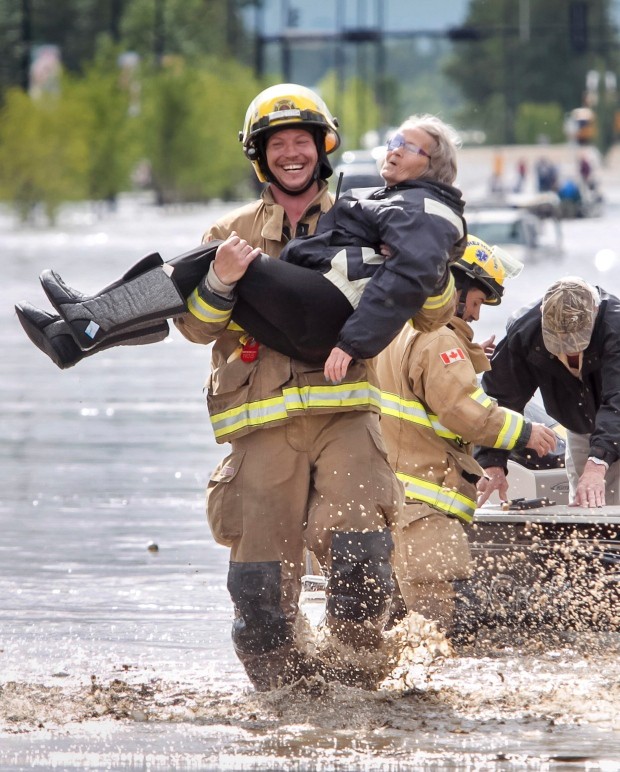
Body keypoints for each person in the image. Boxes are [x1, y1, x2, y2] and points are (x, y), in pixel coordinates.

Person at [16, 110, 466, 384]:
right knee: (216, 264)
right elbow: (194, 327)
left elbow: (418, 293)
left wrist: (353, 342)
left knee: (219, 256)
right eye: (393, 141)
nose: (393, 150)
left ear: (321, 151)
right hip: (284, 368)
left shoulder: (423, 210)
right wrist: (222, 282)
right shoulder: (384, 204)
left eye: (407, 146)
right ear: (259, 157)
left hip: (335, 362)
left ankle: (94, 318)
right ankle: (78, 336)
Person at [375, 237, 557, 638]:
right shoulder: (439, 338)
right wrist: (526, 431)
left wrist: (470, 355)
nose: (474, 316)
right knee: (433, 632)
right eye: (474, 302)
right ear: (453, 285)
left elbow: (423, 390)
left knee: (392, 627)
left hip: (392, 501)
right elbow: (462, 410)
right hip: (425, 509)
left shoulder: (393, 324)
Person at [476, 276, 620, 509]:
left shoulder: (616, 327)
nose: (569, 351)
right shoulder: (524, 331)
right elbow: (502, 396)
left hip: (615, 414)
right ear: (542, 313)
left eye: (576, 343)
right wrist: (492, 461)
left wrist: (597, 462)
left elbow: (618, 402)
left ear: (594, 312)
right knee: (585, 507)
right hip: (579, 425)